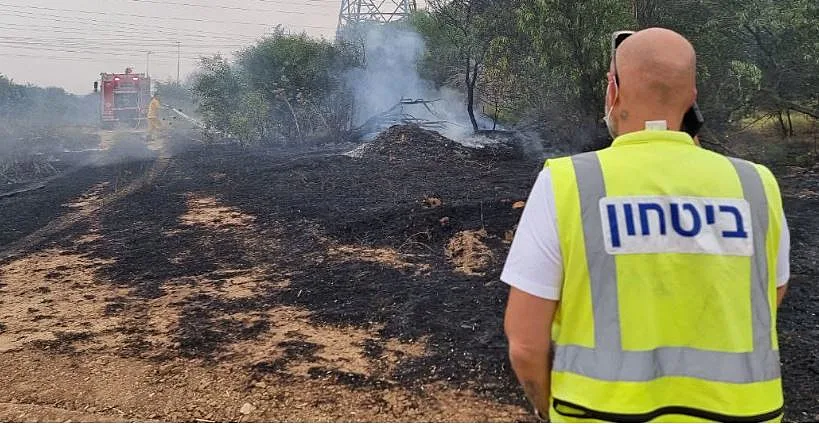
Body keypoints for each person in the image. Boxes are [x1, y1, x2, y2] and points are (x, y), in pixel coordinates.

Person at [502, 27, 790, 422]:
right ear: (692, 97)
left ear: (613, 91)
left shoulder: (567, 182)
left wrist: (544, 407)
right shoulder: (756, 184)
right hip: (745, 414)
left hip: (599, 414)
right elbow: (768, 295)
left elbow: (525, 343)